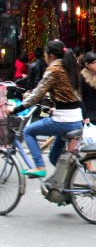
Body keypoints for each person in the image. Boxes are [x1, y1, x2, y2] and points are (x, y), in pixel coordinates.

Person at [6, 40, 83, 178]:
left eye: (46, 55)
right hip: (76, 118)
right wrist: (55, 108)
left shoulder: (54, 69)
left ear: (51, 56)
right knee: (54, 157)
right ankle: (64, 189)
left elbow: (37, 94)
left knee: (28, 131)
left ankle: (39, 166)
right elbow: (72, 94)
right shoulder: (70, 67)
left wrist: (16, 109)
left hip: (63, 121)